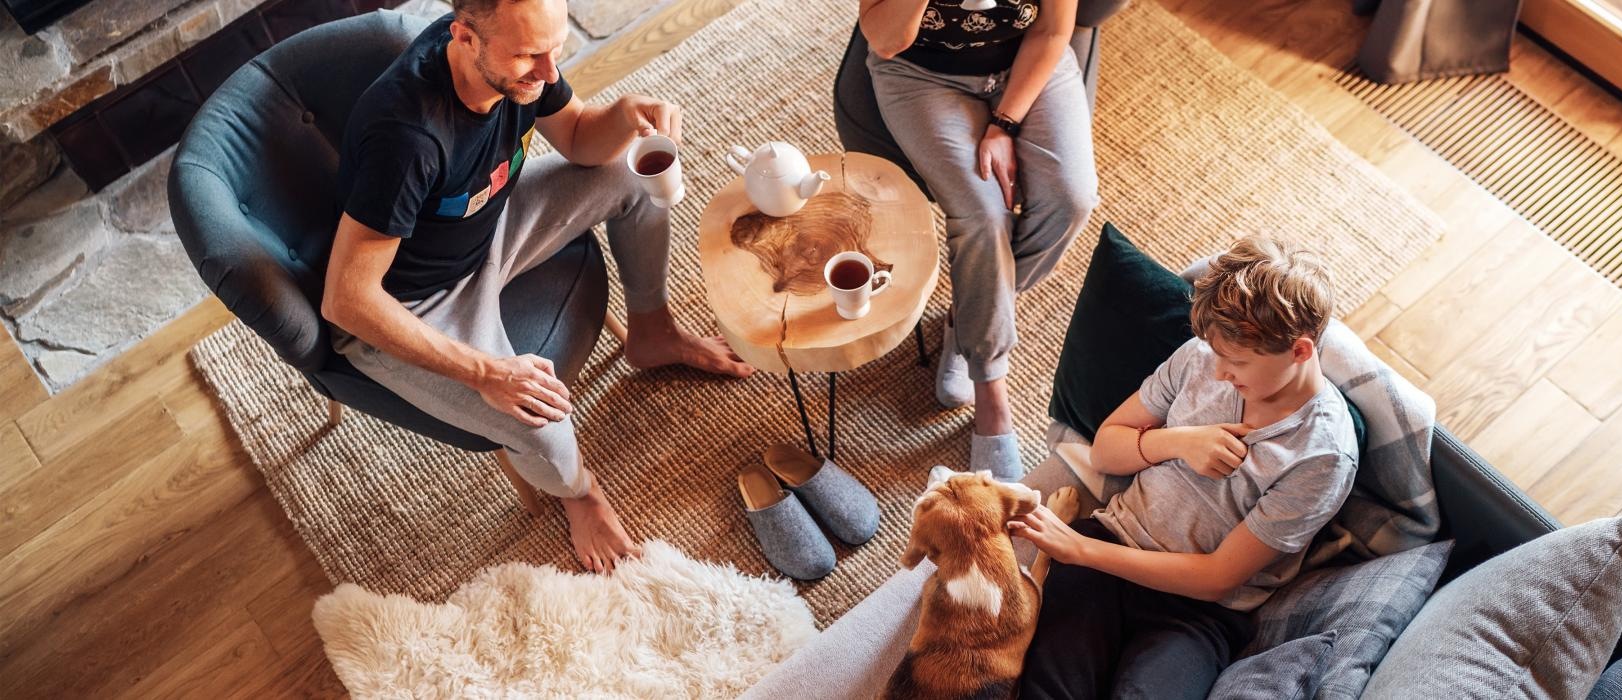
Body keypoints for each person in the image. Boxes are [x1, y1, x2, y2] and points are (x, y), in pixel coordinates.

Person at [322, 0, 752, 574]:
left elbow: (576, 137)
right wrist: (485, 372)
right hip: (414, 301)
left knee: (630, 172)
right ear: (465, 39)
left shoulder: (523, 63)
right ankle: (579, 493)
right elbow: (347, 300)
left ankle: (652, 331)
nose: (550, 73)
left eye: (556, 49)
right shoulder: (408, 137)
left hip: (490, 228)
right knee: (537, 416)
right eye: (530, 56)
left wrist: (625, 115)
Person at [1007, 237, 1360, 698]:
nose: (1218, 373)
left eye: (1237, 362)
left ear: (1300, 351)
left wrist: (1079, 549)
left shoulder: (1323, 455)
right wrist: (1177, 442)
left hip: (1196, 612)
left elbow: (1217, 578)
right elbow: (1105, 451)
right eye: (1217, 355)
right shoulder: (1200, 358)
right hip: (1116, 541)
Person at [858, 0, 1100, 478]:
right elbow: (885, 38)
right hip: (919, 74)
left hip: (1029, 57)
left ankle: (967, 314)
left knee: (1072, 199)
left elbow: (1053, 30)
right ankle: (992, 396)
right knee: (982, 218)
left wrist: (1004, 123)